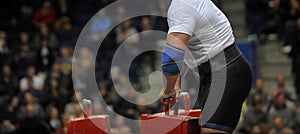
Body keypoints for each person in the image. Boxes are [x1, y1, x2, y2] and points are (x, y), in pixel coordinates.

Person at [160, 0, 253, 133]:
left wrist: (168, 90)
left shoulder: (180, 7)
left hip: (225, 73)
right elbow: (187, 49)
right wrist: (177, 82)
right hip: (223, 72)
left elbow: (170, 61)